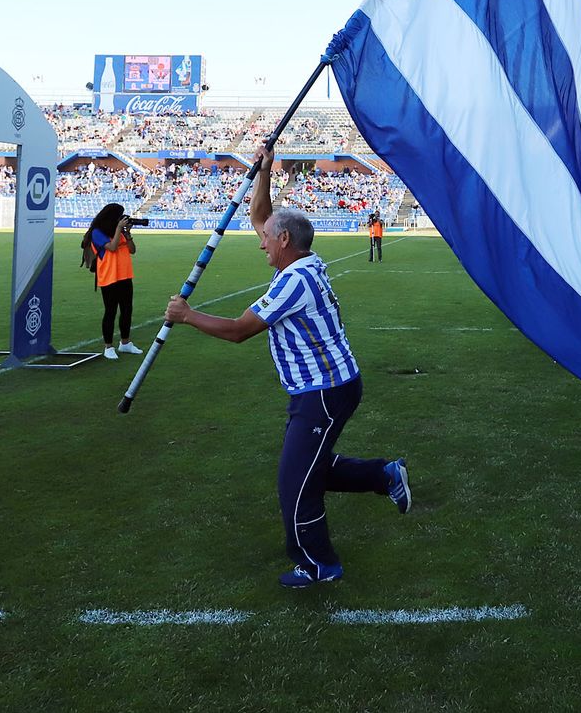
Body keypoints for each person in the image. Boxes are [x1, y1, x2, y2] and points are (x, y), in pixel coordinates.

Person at [165, 147, 409, 588]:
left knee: (295, 481)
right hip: (320, 389)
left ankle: (319, 565)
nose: (260, 240)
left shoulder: (295, 280)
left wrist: (187, 316)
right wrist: (263, 170)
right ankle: (384, 474)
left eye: (266, 237)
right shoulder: (300, 261)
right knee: (310, 466)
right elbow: (262, 215)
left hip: (325, 392)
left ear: (284, 241)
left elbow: (241, 330)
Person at [84, 203, 141, 361]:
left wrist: (127, 233)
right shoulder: (97, 233)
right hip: (109, 277)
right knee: (111, 311)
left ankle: (125, 342)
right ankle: (108, 346)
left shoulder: (120, 232)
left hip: (125, 275)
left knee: (127, 310)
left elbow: (132, 250)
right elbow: (113, 247)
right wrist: (118, 230)